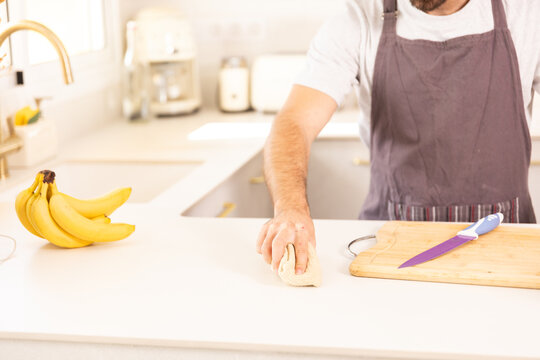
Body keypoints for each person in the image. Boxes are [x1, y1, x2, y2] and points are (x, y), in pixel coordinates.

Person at [256, 0, 540, 274]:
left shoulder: (527, 15)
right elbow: (294, 122)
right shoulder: (359, 19)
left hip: (507, 246)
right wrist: (290, 209)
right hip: (390, 249)